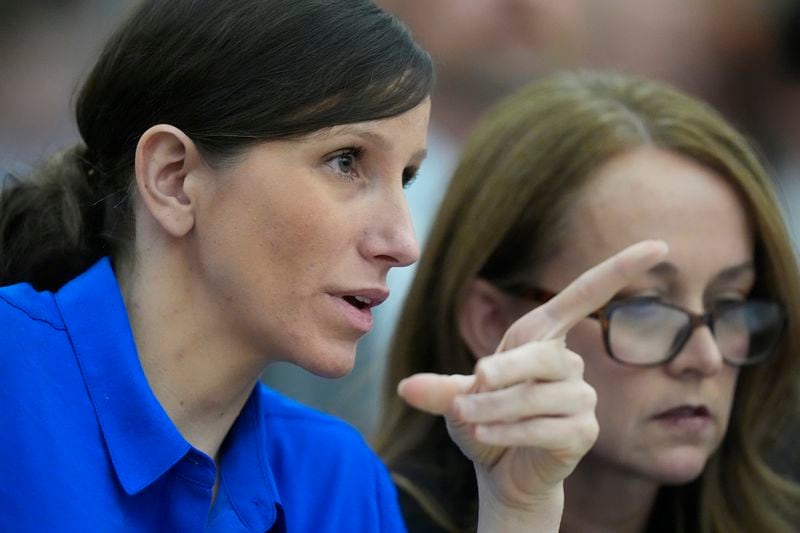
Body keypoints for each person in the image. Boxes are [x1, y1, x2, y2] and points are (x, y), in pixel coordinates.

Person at [0, 2, 667, 531]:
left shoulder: (339, 478)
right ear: (174, 178)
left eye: (405, 177)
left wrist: (518, 507)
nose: (403, 241)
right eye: (347, 160)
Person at [377, 70, 800, 532]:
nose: (706, 357)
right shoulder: (357, 515)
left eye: (731, 301)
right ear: (491, 320)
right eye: (645, 306)